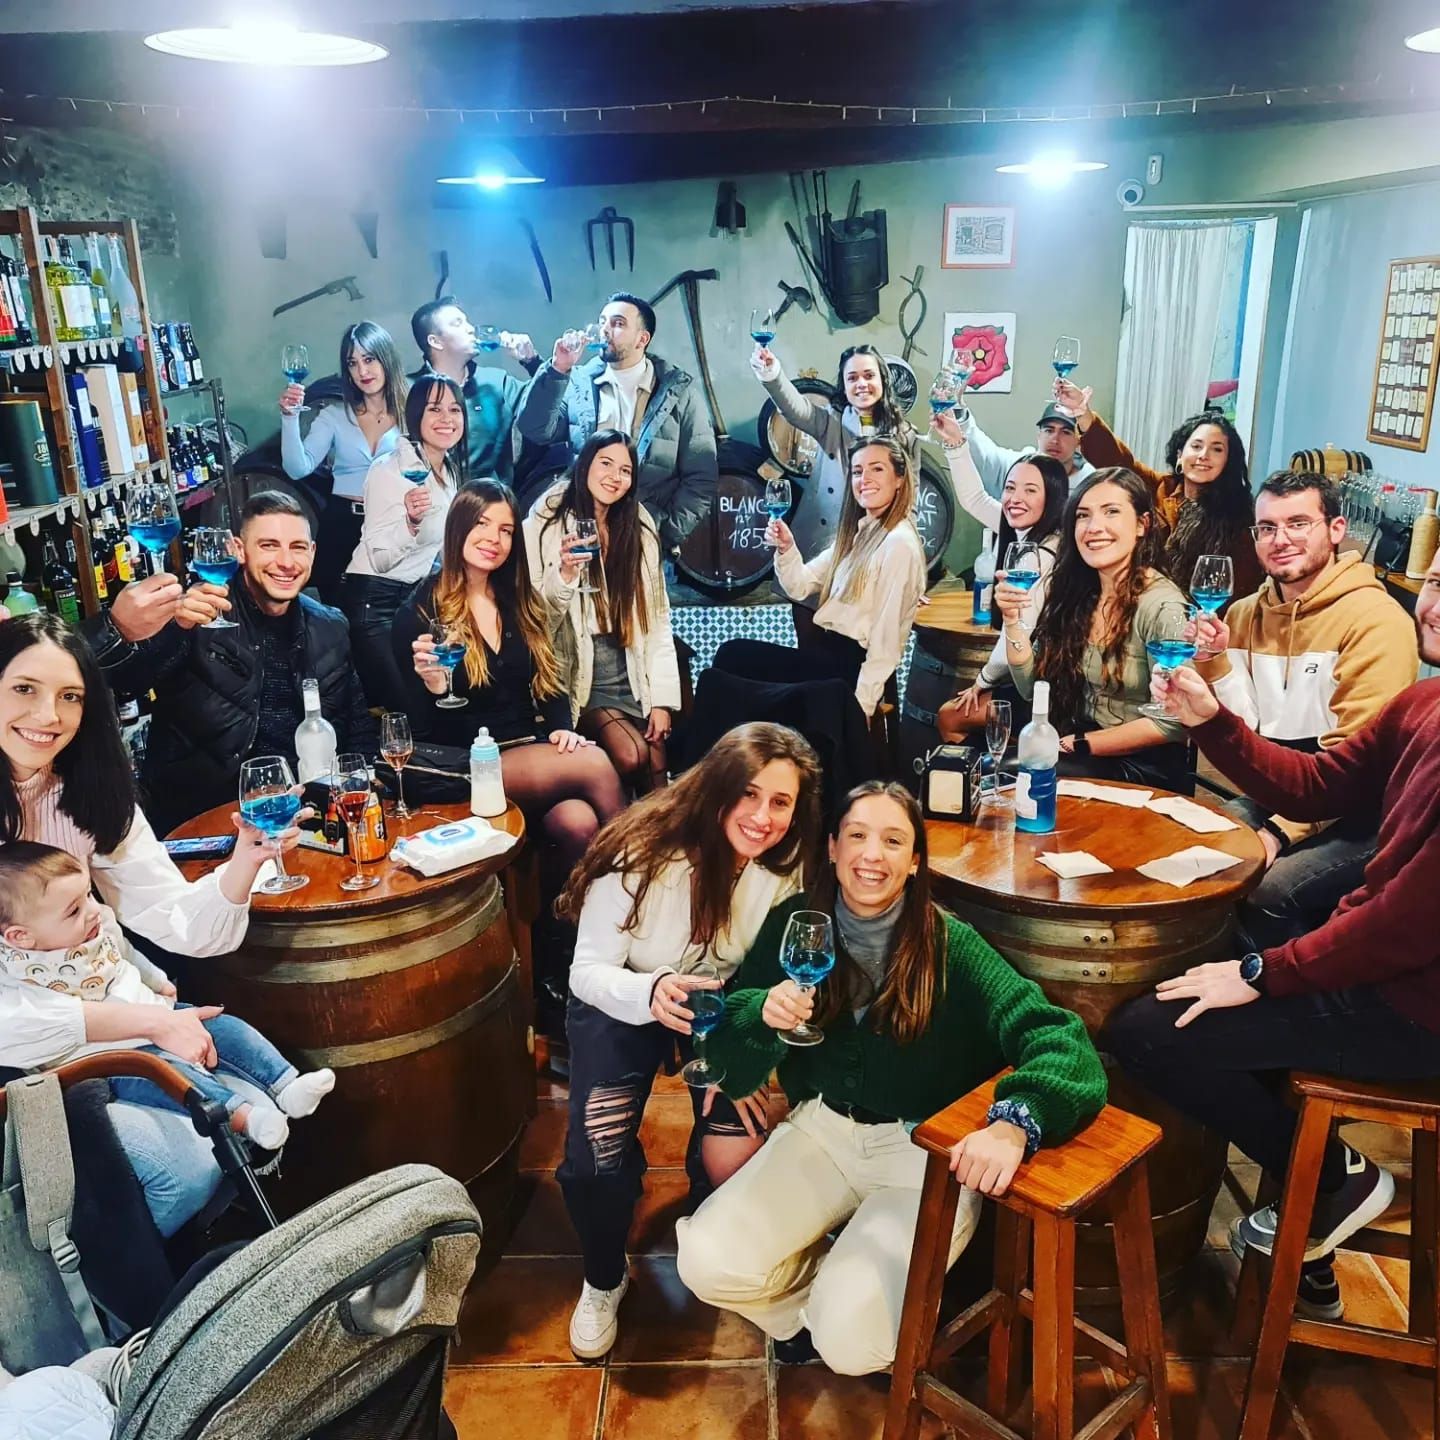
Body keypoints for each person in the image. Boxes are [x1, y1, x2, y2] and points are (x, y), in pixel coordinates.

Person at [1103, 546, 1440, 1321]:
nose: (1432, 604)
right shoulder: (1424, 704)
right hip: (1380, 972)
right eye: (1436, 583)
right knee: (1208, 997)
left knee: (1153, 1031)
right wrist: (1211, 722)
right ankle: (1313, 1230)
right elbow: (1316, 783)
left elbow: (1402, 929)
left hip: (1415, 1010)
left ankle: (1331, 1184)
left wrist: (1261, 975)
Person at [675, 781, 1106, 1375]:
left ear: (915, 861)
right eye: (856, 835)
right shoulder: (794, 927)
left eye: (892, 840)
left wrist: (1015, 1123)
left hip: (919, 1157)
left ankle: (841, 1314)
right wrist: (759, 1015)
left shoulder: (951, 943)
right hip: (822, 1131)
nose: (870, 855)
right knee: (704, 1260)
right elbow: (727, 1056)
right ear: (831, 848)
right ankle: (813, 1309)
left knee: (853, 1348)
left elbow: (1061, 1039)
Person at [0, 613, 302, 1235]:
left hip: (95, 1029)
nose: (48, 715)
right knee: (188, 1165)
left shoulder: (85, 795)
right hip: (21, 1061)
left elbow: (178, 920)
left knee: (239, 1129)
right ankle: (96, 1318)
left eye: (70, 696)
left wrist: (245, 861)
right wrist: (148, 1022)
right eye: (24, 689)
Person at [554, 722, 824, 1360]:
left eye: (780, 802)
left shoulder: (789, 867)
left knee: (742, 1135)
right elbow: (586, 972)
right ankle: (603, 1276)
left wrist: (747, 1064)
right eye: (749, 795)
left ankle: (715, 1240)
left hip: (721, 1007)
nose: (763, 818)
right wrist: (648, 994)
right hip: (626, 998)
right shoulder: (642, 850)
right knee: (597, 1148)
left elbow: (768, 979)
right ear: (717, 788)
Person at [1192, 471, 1417, 948]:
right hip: (1285, 788)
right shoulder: (1244, 613)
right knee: (1202, 850)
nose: (1281, 540)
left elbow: (1355, 779)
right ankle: (1201, 975)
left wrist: (1277, 833)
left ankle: (1276, 991)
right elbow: (1246, 729)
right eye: (1267, 528)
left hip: (1363, 811)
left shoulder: (1378, 623)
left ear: (1335, 530)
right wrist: (1212, 664)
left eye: (1298, 523)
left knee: (1267, 888)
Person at [0, 841, 334, 1151]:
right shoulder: (19, 975)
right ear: (21, 936)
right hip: (105, 1061)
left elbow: (123, 952)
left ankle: (286, 1084)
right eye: (73, 910)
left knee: (226, 1027)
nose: (92, 911)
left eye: (89, 895)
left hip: (156, 1013)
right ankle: (246, 1118)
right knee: (170, 1078)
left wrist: (157, 981)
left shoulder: (92, 928)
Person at [82, 490, 378, 837]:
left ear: (312, 553)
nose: (286, 562)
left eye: (297, 547)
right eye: (269, 545)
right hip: (209, 820)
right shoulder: (194, 617)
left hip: (304, 818)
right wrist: (125, 629)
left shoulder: (331, 625)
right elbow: (118, 683)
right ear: (239, 550)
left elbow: (357, 729)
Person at [393, 479, 624, 879]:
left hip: (527, 751)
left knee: (579, 822)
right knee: (595, 763)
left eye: (505, 530)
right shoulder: (417, 613)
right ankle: (643, 875)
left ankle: (563, 932)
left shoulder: (517, 599)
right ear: (457, 528)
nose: (493, 539)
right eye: (482, 524)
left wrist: (562, 731)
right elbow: (422, 729)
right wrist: (433, 686)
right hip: (466, 761)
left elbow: (548, 683)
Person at [998, 468, 1192, 791]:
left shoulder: (1162, 606)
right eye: (1083, 516)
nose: (1094, 528)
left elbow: (1176, 722)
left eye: (1111, 512)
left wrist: (1081, 743)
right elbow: (1030, 688)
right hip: (1081, 748)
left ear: (1142, 525)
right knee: (987, 771)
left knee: (1012, 778)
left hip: (1144, 768)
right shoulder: (1078, 593)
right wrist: (1011, 620)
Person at [712, 438, 927, 721]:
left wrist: (859, 710)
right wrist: (786, 548)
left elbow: (887, 642)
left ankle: (715, 757)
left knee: (733, 663)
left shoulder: (898, 543)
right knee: (731, 654)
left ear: (900, 479)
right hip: (824, 660)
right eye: (858, 471)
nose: (865, 479)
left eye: (877, 469)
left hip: (845, 673)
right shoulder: (859, 534)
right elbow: (799, 586)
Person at [524, 428, 681, 792]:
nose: (615, 477)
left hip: (629, 662)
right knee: (632, 754)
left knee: (657, 755)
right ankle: (620, 832)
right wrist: (564, 575)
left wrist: (662, 701)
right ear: (585, 464)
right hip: (578, 665)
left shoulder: (639, 527)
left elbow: (656, 619)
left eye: (625, 471)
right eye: (606, 463)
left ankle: (657, 840)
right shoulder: (546, 519)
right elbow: (537, 619)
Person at [515, 293, 718, 554]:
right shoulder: (579, 383)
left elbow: (701, 476)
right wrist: (558, 369)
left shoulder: (678, 394)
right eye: (603, 322)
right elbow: (535, 428)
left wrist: (663, 535)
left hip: (644, 539)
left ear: (642, 339)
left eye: (618, 323)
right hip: (583, 533)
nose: (605, 330)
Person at [1055, 378, 1262, 603]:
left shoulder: (1240, 515)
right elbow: (1118, 461)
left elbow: (1239, 590)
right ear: (1180, 455)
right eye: (1196, 446)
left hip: (1204, 620)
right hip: (1143, 604)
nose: (1204, 455)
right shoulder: (1162, 488)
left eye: (1217, 449)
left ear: (1228, 461)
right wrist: (1082, 414)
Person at [930, 412, 1069, 737]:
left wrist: (982, 681)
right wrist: (955, 444)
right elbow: (975, 500)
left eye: (1030, 490)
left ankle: (973, 785)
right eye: (1010, 487)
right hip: (1033, 678)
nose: (1015, 499)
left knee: (951, 716)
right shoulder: (1029, 534)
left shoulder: (1041, 556)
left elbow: (1018, 630)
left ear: (1052, 498)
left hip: (1049, 694)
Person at [340, 371, 466, 710]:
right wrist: (410, 522)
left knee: (433, 699)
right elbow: (380, 557)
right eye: (434, 410)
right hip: (374, 600)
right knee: (406, 706)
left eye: (455, 410)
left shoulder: (449, 469)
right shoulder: (389, 469)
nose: (446, 419)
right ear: (415, 417)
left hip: (415, 601)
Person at [750, 341, 922, 558]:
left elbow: (909, 502)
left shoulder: (905, 434)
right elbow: (796, 409)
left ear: (883, 380)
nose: (861, 384)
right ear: (844, 385)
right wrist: (772, 375)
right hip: (827, 540)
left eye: (869, 375)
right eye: (852, 378)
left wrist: (911, 561)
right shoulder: (831, 421)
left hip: (878, 543)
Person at [280, 320, 406, 603]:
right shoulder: (335, 416)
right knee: (340, 620)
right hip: (342, 525)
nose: (362, 371)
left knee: (390, 621)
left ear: (387, 359)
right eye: (352, 363)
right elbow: (297, 468)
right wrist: (289, 418)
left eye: (369, 359)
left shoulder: (412, 413)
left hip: (393, 524)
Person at [410, 295, 539, 488]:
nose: (470, 328)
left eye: (467, 321)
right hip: (429, 506)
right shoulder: (409, 389)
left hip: (490, 504)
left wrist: (532, 362)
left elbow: (548, 411)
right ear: (435, 341)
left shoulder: (496, 382)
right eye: (458, 323)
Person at [950, 392, 1095, 500]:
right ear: (1038, 436)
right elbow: (983, 455)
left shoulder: (1090, 481)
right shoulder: (1017, 467)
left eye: (1065, 432)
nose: (1055, 440)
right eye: (1049, 430)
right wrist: (958, 413)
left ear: (1078, 441)